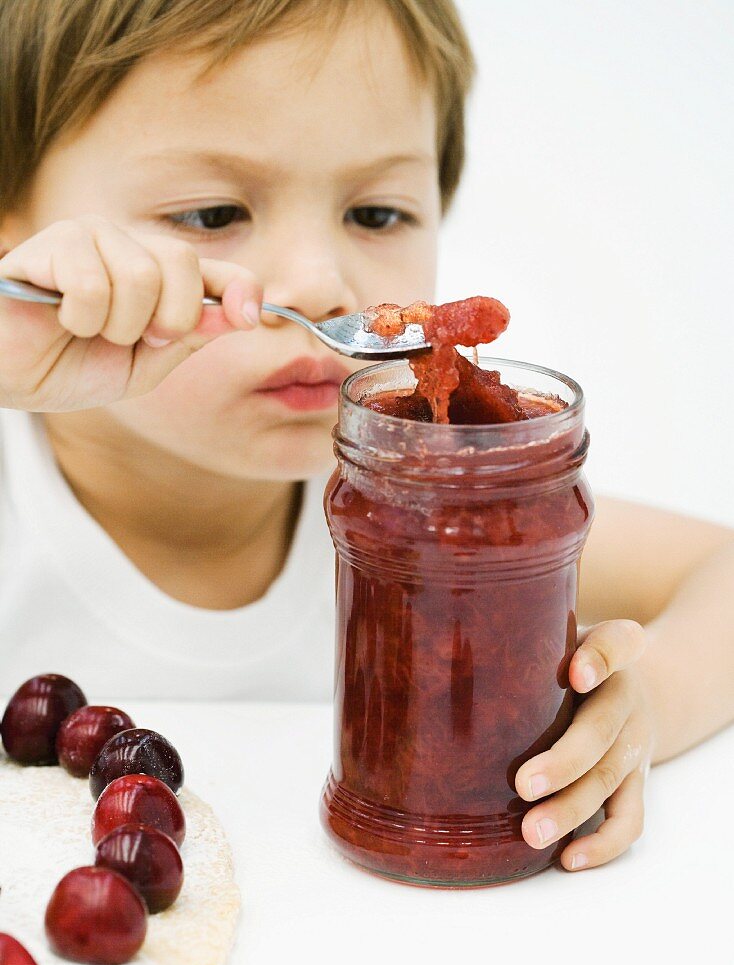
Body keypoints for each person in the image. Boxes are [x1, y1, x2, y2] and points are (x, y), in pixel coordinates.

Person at [0, 0, 731, 875]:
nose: (319, 284)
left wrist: (644, 702)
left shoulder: (429, 508)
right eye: (211, 214)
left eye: (377, 215)